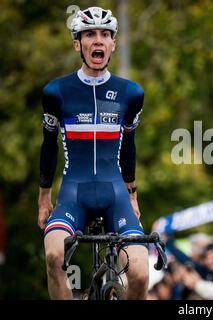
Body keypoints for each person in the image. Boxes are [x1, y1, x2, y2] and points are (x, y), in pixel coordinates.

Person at [38, 7, 148, 299]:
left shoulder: (131, 93)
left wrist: (133, 194)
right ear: (78, 44)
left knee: (140, 273)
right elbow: (48, 144)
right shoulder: (56, 91)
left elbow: (130, 146)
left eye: (104, 34)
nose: (97, 40)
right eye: (89, 34)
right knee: (53, 257)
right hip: (74, 195)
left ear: (113, 44)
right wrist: (43, 197)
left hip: (116, 196)